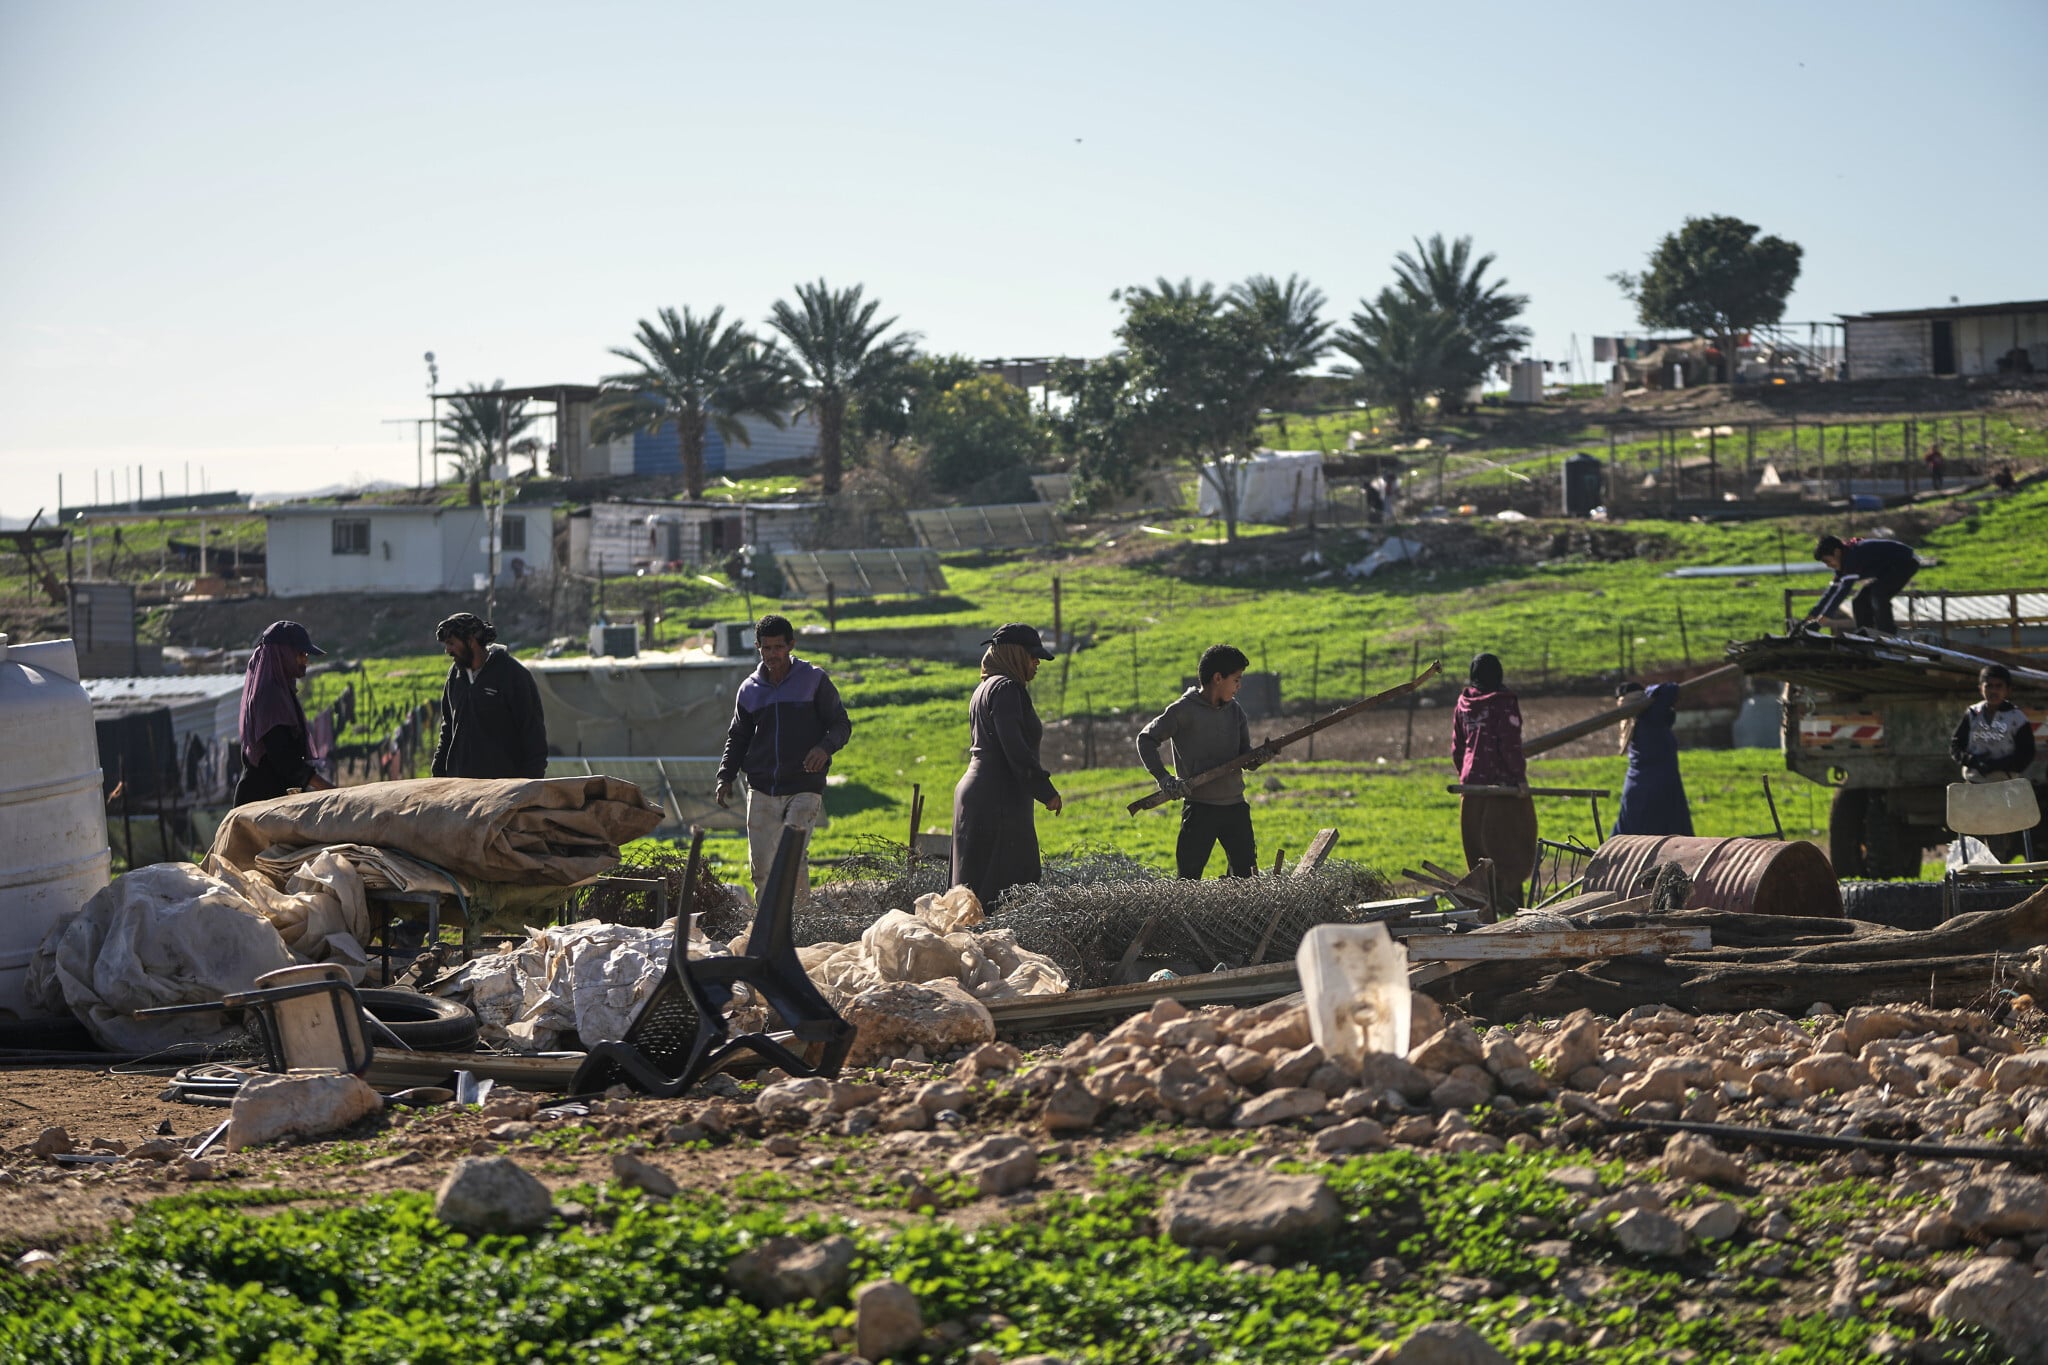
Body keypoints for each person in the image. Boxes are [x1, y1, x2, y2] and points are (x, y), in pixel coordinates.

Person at [715, 614, 852, 901]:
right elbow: (738, 736)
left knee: (792, 858)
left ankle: (800, 926)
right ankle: (767, 929)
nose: (773, 655)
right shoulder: (749, 689)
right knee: (761, 867)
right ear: (758, 647)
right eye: (766, 648)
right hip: (763, 787)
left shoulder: (814, 680)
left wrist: (824, 748)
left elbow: (841, 724)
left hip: (804, 785)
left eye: (778, 647)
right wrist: (726, 776)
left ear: (791, 645)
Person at [1137, 644, 1278, 879]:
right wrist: (1164, 779)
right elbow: (1146, 740)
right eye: (1236, 679)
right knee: (1189, 880)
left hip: (1235, 808)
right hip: (1200, 809)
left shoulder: (1235, 712)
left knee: (1246, 878)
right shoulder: (1182, 711)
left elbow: (1245, 758)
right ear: (1217, 678)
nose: (1239, 686)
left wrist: (1259, 758)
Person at [951, 623, 1060, 906]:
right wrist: (1045, 790)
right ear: (1014, 655)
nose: (1037, 663)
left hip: (981, 793)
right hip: (997, 798)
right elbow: (1014, 748)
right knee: (1005, 889)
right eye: (1032, 656)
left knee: (975, 887)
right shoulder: (1008, 689)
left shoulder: (984, 688)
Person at [1451, 652, 1537, 911]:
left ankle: (1485, 917)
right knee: (1509, 859)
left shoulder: (1464, 703)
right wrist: (1519, 779)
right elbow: (1509, 746)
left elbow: (1458, 748)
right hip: (1503, 792)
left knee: (1480, 861)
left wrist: (1466, 777)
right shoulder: (1503, 703)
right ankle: (1515, 919)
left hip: (1472, 791)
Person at [430, 613, 549, 780]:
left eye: (451, 643)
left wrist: (528, 788)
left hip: (502, 791)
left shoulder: (513, 676)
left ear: (470, 641)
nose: (447, 650)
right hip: (459, 789)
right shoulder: (455, 676)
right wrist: (438, 776)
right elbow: (448, 728)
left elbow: (533, 738)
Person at [235, 620, 333, 805]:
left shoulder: (281, 693)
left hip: (276, 801)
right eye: (300, 654)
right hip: (259, 804)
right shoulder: (270, 696)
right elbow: (283, 758)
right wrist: (327, 788)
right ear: (282, 655)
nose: (305, 660)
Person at [1611, 680, 1694, 836]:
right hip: (1655, 788)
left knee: (1633, 836)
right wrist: (1651, 691)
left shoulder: (1640, 721)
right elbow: (1670, 689)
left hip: (1643, 787)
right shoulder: (1651, 718)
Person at [1805, 534, 1920, 634]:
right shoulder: (1843, 565)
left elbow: (1842, 593)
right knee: (1859, 600)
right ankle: (1866, 633)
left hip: (1906, 562)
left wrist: (1820, 623)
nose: (1828, 566)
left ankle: (1887, 633)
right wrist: (1808, 620)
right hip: (1888, 570)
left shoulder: (1852, 556)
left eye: (1828, 561)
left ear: (1837, 552)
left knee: (1878, 594)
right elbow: (1830, 593)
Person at [1951, 665, 2035, 785]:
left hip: (2005, 783)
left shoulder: (2017, 718)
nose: (1993, 691)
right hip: (1973, 783)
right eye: (1988, 686)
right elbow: (1956, 746)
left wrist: (1997, 765)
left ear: (2008, 690)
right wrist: (1974, 761)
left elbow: (2026, 753)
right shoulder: (1972, 713)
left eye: (1999, 686)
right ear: (1981, 689)